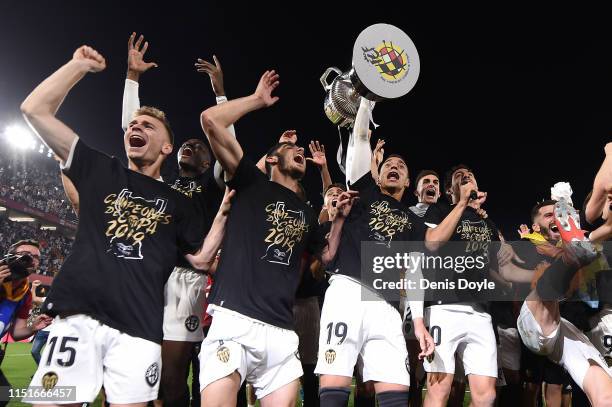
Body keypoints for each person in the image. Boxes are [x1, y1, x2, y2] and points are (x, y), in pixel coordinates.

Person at [20, 44, 233, 406]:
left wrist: (227, 208)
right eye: (132, 125)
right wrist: (78, 66)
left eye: (147, 125)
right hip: (79, 319)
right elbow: (34, 110)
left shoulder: (180, 202)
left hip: (141, 328)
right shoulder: (102, 170)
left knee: (163, 390)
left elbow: (199, 260)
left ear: (167, 147)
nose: (135, 127)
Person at [198, 69, 343, 407]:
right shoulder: (250, 181)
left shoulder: (307, 212)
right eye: (290, 149)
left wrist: (338, 222)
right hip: (234, 319)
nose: (299, 151)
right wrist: (256, 100)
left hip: (281, 330)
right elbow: (210, 121)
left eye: (300, 151)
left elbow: (329, 257)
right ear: (273, 158)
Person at [120, 32, 232, 407]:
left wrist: (220, 94)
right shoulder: (164, 187)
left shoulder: (211, 185)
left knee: (177, 377)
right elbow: (131, 132)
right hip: (153, 276)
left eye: (197, 147)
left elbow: (229, 149)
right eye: (184, 144)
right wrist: (132, 78)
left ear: (207, 161)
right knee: (144, 376)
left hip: (193, 280)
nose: (190, 146)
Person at [315, 97, 434, 407]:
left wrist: (418, 322)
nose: (393, 167)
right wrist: (367, 100)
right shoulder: (364, 191)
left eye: (401, 167)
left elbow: (415, 271)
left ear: (408, 182)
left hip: (387, 305)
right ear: (378, 174)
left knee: (396, 388)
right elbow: (361, 137)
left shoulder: (412, 221)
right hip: (348, 289)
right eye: (388, 165)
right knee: (336, 383)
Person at [0, 240, 52, 404]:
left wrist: (33, 327)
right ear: (10, 255)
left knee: (4, 394)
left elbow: (17, 333)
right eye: (25, 254)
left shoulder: (24, 293)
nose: (31, 259)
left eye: (36, 257)